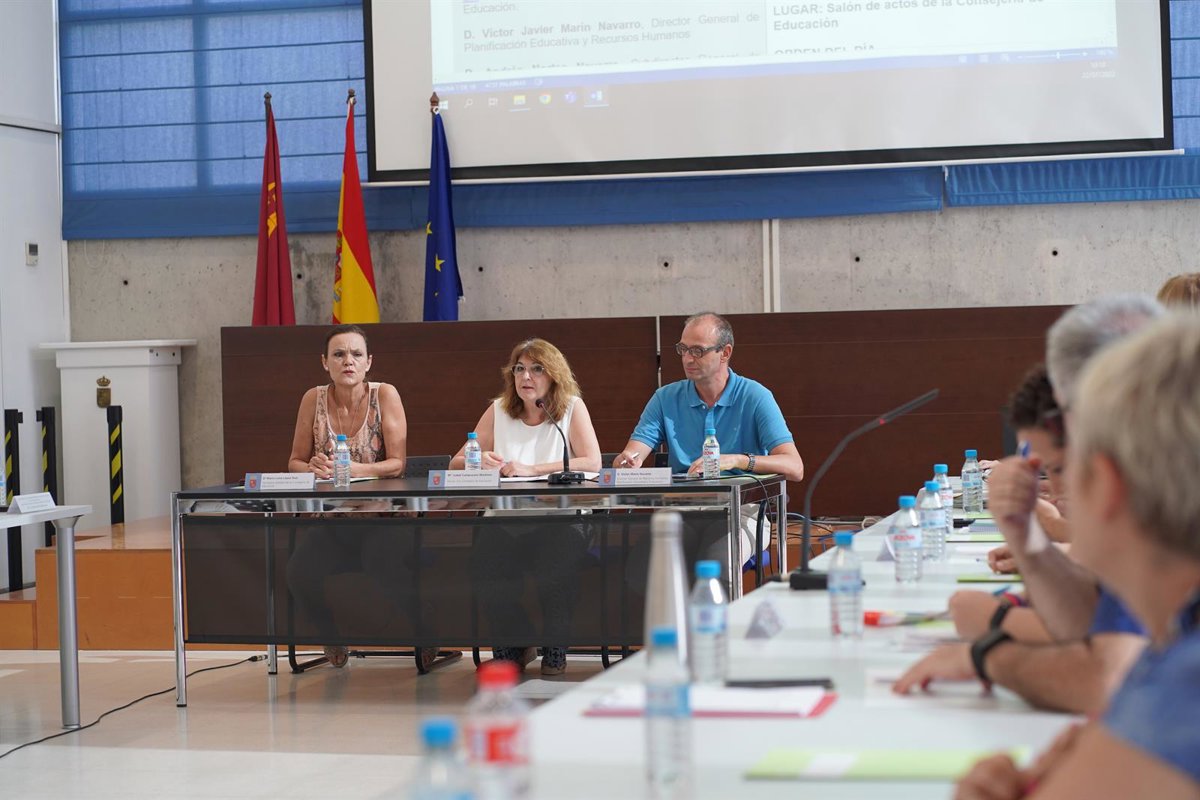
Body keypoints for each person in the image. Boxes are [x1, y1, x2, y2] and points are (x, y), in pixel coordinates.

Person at [955, 314, 1200, 800]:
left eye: (1058, 470)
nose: (1048, 488)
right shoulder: (1177, 632)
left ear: (1105, 484)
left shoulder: (1183, 683)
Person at [895, 295, 1162, 714]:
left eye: (1057, 467)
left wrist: (986, 654)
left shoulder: (1161, 502)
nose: (1054, 486)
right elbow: (1090, 624)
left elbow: (1105, 683)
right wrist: (1025, 537)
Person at [452, 338, 602, 676]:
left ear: (554, 375)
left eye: (536, 369)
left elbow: (592, 462)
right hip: (506, 518)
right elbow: (456, 463)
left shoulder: (571, 407)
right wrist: (479, 460)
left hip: (561, 518)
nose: (525, 377)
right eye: (519, 369)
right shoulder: (499, 409)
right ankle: (514, 646)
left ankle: (554, 649)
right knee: (486, 568)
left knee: (555, 567)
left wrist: (532, 469)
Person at [613, 312, 804, 577]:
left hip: (742, 511)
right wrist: (628, 461)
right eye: (683, 349)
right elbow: (634, 452)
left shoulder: (755, 396)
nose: (687, 358)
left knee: (718, 564)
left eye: (698, 351)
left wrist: (737, 460)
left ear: (725, 353)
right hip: (683, 510)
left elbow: (795, 467)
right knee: (645, 568)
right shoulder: (665, 398)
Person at [285, 324, 412, 669]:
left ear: (369, 362)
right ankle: (330, 635)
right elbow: (294, 461)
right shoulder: (312, 399)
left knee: (382, 563)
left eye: (356, 354)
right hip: (332, 521)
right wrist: (311, 469)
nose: (348, 361)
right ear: (324, 362)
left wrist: (355, 469)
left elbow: (398, 464)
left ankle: (425, 633)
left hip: (384, 519)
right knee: (298, 572)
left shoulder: (385, 395)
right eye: (338, 354)